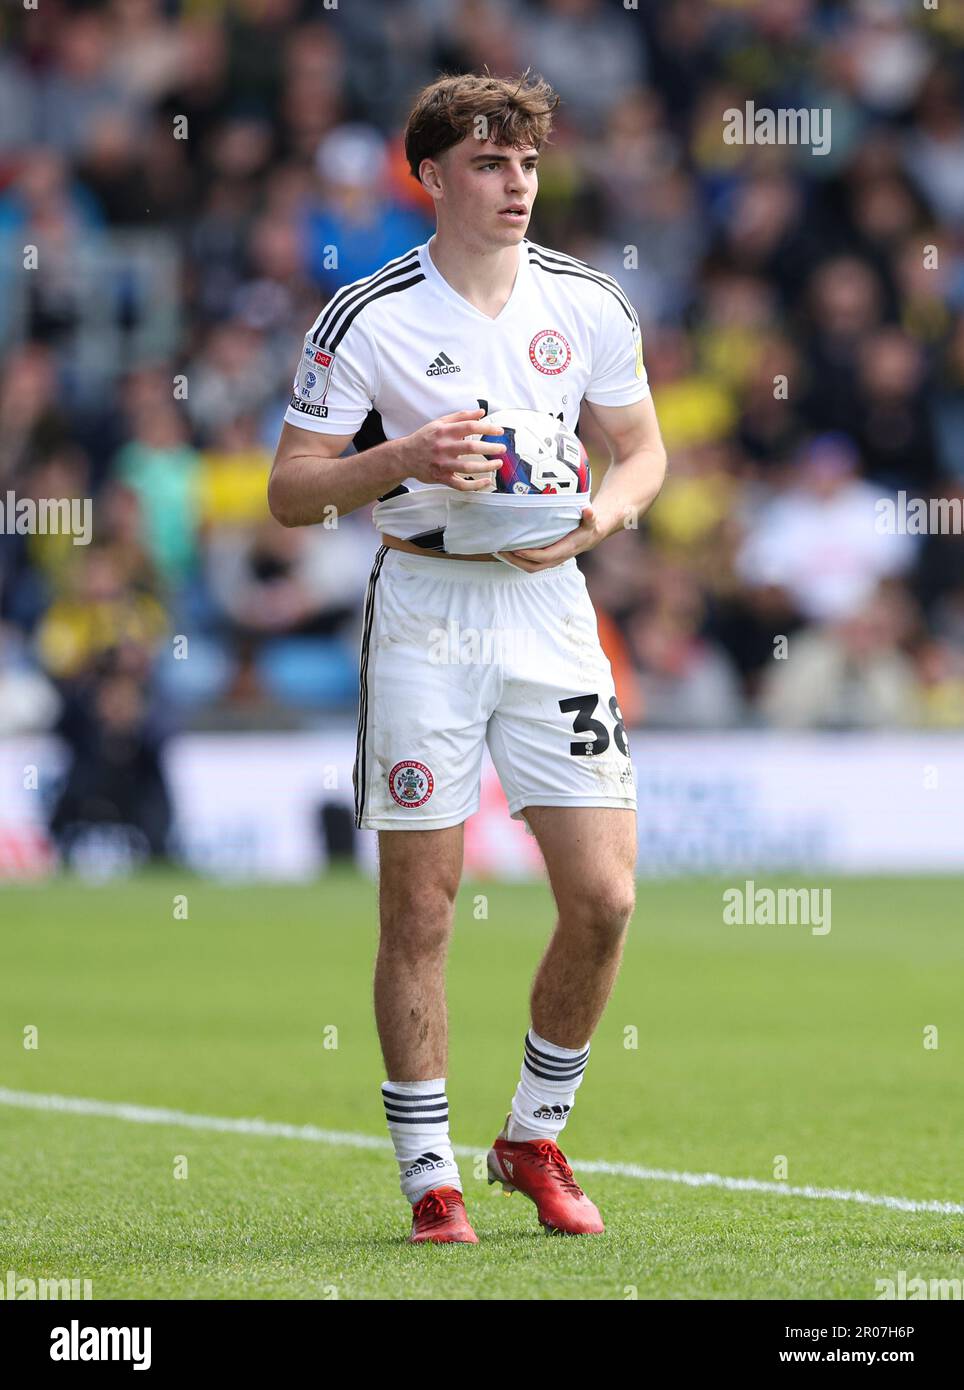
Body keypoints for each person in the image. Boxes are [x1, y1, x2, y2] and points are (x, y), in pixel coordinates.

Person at [269, 70, 667, 1244]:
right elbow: (291, 491)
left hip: (552, 610)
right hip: (427, 617)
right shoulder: (368, 314)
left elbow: (643, 456)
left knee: (604, 896)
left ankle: (532, 1136)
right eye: (490, 164)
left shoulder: (588, 302)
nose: (516, 185)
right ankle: (429, 1176)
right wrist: (404, 458)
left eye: (529, 164)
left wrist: (601, 520)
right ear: (431, 176)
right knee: (424, 910)